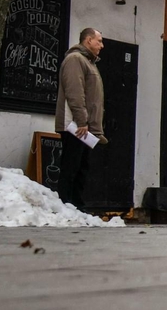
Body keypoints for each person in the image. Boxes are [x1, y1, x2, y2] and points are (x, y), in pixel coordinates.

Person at [54, 27, 106, 210]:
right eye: (99, 41)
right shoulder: (75, 59)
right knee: (72, 165)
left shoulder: (89, 63)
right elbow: (75, 93)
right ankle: (66, 204)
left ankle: (77, 205)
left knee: (82, 167)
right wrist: (82, 122)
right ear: (88, 40)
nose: (102, 45)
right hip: (74, 125)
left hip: (84, 127)